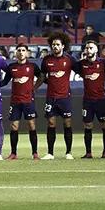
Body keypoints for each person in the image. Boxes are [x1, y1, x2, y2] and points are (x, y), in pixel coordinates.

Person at [33, 32, 81, 160]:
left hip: (65, 97)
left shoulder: (70, 59)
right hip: (51, 97)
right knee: (51, 123)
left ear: (63, 46)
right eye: (53, 44)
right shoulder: (46, 60)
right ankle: (50, 153)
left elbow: (81, 71)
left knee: (67, 124)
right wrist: (33, 89)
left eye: (58, 44)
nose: (55, 46)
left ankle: (68, 152)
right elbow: (42, 77)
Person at [2, 43, 43, 160]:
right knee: (14, 126)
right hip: (15, 101)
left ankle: (35, 153)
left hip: (28, 101)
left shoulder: (32, 66)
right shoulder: (11, 67)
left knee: (31, 125)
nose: (21, 52)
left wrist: (34, 88)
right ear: (16, 53)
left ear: (27, 52)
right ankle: (13, 153)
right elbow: (5, 81)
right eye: (19, 50)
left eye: (23, 50)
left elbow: (41, 77)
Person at [78, 40, 105, 159]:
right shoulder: (81, 64)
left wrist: (104, 78)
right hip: (87, 100)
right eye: (87, 48)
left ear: (96, 50)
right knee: (87, 126)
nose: (88, 50)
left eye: (91, 48)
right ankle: (88, 153)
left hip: (100, 99)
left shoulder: (103, 63)